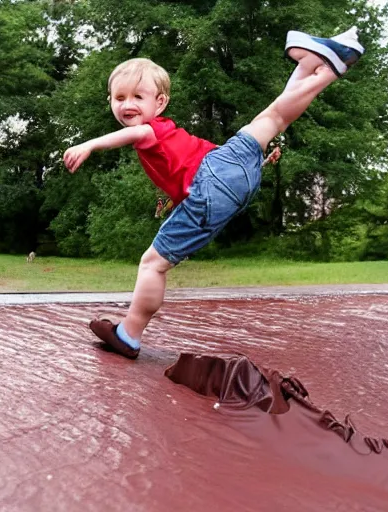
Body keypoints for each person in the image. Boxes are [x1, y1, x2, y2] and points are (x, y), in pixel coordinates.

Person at [63, 27, 365, 359]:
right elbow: (211, 172)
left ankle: (129, 335)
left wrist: (89, 144)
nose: (127, 105)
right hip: (227, 166)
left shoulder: (148, 130)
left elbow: (127, 137)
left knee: (152, 265)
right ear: (110, 101)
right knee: (276, 116)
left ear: (159, 102)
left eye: (138, 97)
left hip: (212, 179)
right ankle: (320, 64)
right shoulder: (168, 132)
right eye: (120, 98)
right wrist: (256, 166)